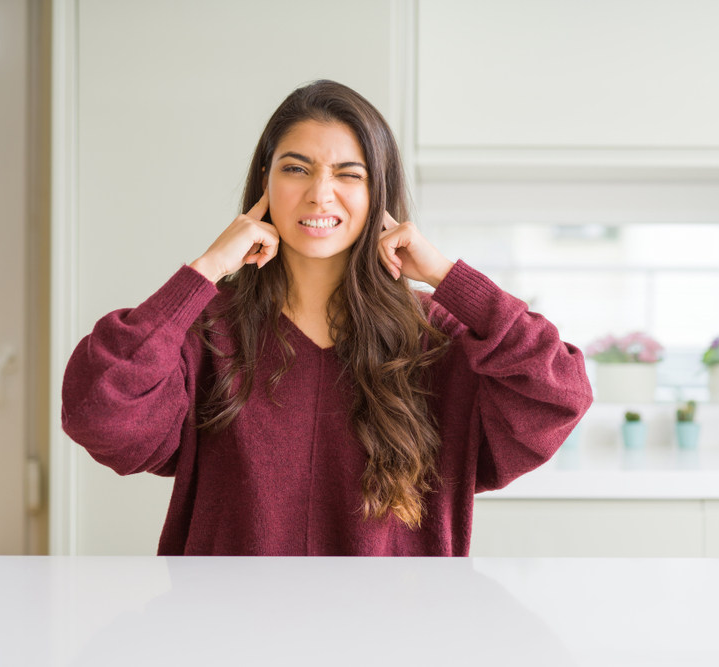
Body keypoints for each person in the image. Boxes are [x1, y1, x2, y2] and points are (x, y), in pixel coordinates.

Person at [61, 80, 593, 556]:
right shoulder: (206, 335)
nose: (320, 193)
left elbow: (560, 393)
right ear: (265, 183)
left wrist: (449, 277)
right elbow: (97, 409)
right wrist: (206, 270)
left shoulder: (436, 338)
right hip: (224, 637)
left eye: (348, 174)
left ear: (377, 193)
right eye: (296, 168)